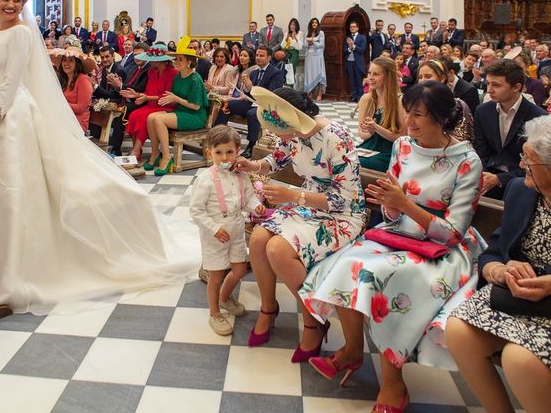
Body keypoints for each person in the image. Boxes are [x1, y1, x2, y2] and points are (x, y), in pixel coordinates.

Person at [0, 0, 200, 314]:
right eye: (5, 0)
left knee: (7, 183)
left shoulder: (22, 34)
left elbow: (11, 81)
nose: (10, 6)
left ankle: (9, 265)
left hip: (8, 113)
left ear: (22, 5)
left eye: (17, 1)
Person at [301, 81, 484, 413]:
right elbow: (390, 205)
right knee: (346, 263)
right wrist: (392, 206)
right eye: (408, 114)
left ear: (442, 119)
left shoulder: (467, 160)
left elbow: (455, 232)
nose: (409, 123)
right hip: (397, 233)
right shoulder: (403, 146)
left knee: (382, 278)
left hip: (441, 249)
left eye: (418, 115)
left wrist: (406, 204)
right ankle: (352, 350)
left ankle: (393, 384)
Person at [232, 86, 365, 361]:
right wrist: (252, 166)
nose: (279, 137)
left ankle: (313, 321)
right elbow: (275, 160)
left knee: (277, 250)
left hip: (341, 214)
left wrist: (294, 195)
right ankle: (269, 308)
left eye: (281, 131)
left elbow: (346, 199)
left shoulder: (335, 138)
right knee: (258, 239)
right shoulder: (291, 133)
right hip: (306, 205)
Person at [447, 116, 551, 413]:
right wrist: (501, 271)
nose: (521, 166)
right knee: (457, 330)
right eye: (523, 156)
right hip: (517, 296)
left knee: (519, 359)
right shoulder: (522, 190)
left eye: (530, 161)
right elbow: (493, 252)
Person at [190, 125, 265, 336]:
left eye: (230, 152)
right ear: (209, 152)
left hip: (237, 230)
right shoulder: (205, 179)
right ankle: (214, 313)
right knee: (215, 276)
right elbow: (196, 210)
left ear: (238, 151)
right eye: (219, 152)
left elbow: (248, 197)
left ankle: (224, 298)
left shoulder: (240, 176)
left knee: (240, 270)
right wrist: (214, 229)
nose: (224, 157)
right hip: (215, 234)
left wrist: (255, 205)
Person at [474, 59, 547, 199]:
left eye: (496, 85)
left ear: (516, 87)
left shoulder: (538, 116)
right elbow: (480, 150)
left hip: (523, 180)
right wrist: (484, 176)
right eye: (488, 83)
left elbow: (536, 164)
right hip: (487, 173)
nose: (489, 90)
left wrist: (500, 179)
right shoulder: (483, 111)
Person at [145, 37, 209, 176]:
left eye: (180, 59)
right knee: (150, 117)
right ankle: (156, 153)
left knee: (159, 119)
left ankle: (167, 156)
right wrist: (169, 100)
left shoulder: (195, 79)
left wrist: (176, 99)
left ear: (189, 62)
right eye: (176, 59)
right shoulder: (179, 76)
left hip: (195, 116)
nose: (176, 62)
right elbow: (174, 98)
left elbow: (196, 107)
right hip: (182, 111)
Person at [126, 43, 178, 161]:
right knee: (134, 115)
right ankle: (136, 150)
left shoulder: (172, 73)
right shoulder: (152, 72)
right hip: (152, 105)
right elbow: (148, 91)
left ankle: (136, 151)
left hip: (166, 106)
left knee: (144, 116)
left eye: (153, 59)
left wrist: (146, 98)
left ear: (162, 60)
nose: (151, 61)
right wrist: (138, 95)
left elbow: (166, 96)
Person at [357, 57, 406, 171]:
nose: (370, 77)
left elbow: (403, 137)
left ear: (388, 77)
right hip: (368, 149)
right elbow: (361, 134)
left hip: (389, 153)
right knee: (340, 158)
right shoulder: (366, 99)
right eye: (369, 73)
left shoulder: (399, 101)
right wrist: (368, 132)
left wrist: (376, 128)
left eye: (376, 74)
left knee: (353, 164)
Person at [418, 60, 475, 142]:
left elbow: (464, 137)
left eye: (428, 76)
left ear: (442, 78)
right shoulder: (415, 104)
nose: (423, 80)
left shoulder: (457, 106)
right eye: (420, 77)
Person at [50, 47, 95, 131]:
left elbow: (80, 108)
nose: (66, 63)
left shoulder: (83, 80)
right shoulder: (64, 79)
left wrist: (59, 103)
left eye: (70, 60)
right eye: (64, 60)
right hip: (63, 119)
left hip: (77, 124)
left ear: (77, 63)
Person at [344, 21, 367, 102]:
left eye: (354, 26)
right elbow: (344, 50)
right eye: (351, 27)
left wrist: (353, 46)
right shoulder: (347, 38)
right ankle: (354, 96)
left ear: (357, 28)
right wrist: (349, 48)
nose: (352, 28)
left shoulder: (362, 37)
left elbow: (362, 50)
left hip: (358, 62)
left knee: (359, 79)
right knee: (352, 79)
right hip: (349, 61)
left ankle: (360, 97)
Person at [304, 17, 327, 101]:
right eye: (313, 22)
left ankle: (320, 93)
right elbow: (304, 45)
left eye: (316, 23)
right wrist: (308, 43)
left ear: (318, 24)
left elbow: (322, 45)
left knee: (319, 74)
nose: (314, 24)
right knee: (309, 74)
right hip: (309, 56)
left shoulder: (321, 33)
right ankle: (309, 92)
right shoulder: (308, 33)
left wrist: (313, 42)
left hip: (317, 56)